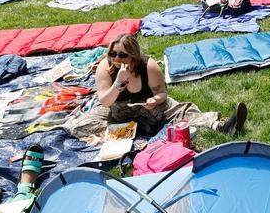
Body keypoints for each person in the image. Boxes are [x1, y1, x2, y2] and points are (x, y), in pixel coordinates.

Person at [93, 33, 245, 136]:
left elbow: (162, 94)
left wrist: (155, 100)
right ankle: (118, 136)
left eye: (122, 55)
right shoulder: (105, 68)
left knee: (183, 113)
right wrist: (118, 83)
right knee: (81, 124)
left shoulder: (148, 66)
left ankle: (221, 126)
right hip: (118, 112)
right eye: (113, 54)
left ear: (134, 56)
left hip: (151, 109)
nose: (116, 59)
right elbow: (105, 101)